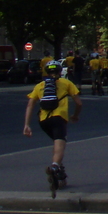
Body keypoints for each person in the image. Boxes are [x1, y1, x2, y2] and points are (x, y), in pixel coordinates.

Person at [22, 60, 83, 197]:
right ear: (60, 71)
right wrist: (75, 115)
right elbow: (79, 103)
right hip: (58, 118)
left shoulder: (40, 86)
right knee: (60, 143)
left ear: (47, 72)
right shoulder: (66, 83)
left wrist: (27, 124)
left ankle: (59, 170)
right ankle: (55, 166)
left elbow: (30, 105)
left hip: (43, 121)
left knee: (56, 143)